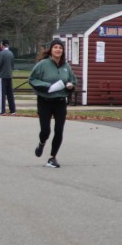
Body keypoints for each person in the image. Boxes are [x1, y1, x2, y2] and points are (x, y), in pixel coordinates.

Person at [29, 38, 77, 168]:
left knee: (59, 130)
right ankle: (42, 143)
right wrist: (47, 86)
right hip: (45, 101)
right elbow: (32, 79)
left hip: (60, 101)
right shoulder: (43, 64)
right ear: (51, 50)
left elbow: (73, 80)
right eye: (55, 47)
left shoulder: (66, 66)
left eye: (60, 48)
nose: (58, 50)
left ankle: (52, 157)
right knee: (46, 130)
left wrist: (70, 85)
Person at [0, 39, 16, 115]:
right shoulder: (11, 53)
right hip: (9, 75)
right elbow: (12, 64)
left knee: (1, 93)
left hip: (2, 75)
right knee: (10, 93)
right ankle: (12, 110)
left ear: (3, 45)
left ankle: (1, 110)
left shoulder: (2, 53)